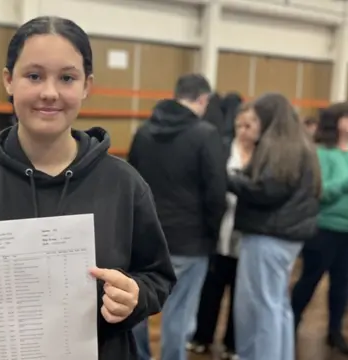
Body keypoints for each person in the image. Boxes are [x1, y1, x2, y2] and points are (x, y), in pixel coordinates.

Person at [0, 16, 176, 360]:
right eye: (34, 76)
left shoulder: (126, 186)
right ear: (9, 80)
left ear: (86, 86)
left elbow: (157, 275)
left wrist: (136, 296)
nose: (50, 92)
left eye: (67, 78)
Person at [128, 74, 227, 360]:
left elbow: (131, 182)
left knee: (139, 308)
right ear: (203, 99)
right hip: (190, 239)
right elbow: (216, 192)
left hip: (145, 235)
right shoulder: (206, 134)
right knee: (179, 314)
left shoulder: (143, 132)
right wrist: (212, 234)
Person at [229, 93, 321, 360]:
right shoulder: (300, 142)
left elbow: (267, 191)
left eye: (256, 119)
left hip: (269, 237)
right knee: (277, 305)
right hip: (286, 238)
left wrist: (229, 180)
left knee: (261, 309)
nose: (253, 124)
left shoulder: (281, 147)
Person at [187, 103, 255, 360]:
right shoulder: (224, 148)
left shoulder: (263, 154)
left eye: (249, 125)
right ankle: (202, 337)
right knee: (211, 289)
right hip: (219, 230)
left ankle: (232, 344)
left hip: (247, 234)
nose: (244, 131)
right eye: (240, 125)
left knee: (241, 293)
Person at [291, 102, 348, 355]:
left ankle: (335, 331)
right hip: (325, 229)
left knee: (342, 284)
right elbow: (322, 192)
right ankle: (291, 322)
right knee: (309, 280)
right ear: (337, 121)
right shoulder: (322, 153)